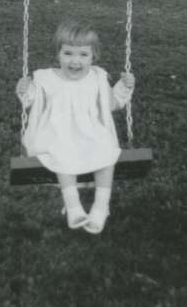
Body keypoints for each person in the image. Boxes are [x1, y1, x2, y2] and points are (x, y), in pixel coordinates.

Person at [16, 20, 135, 234]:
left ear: (93, 56)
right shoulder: (45, 78)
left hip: (90, 132)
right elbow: (32, 100)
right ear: (57, 54)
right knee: (62, 150)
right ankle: (73, 207)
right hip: (57, 132)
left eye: (83, 55)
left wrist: (124, 87)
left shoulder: (98, 77)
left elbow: (112, 104)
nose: (75, 61)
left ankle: (101, 206)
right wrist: (24, 88)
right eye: (68, 53)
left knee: (107, 151)